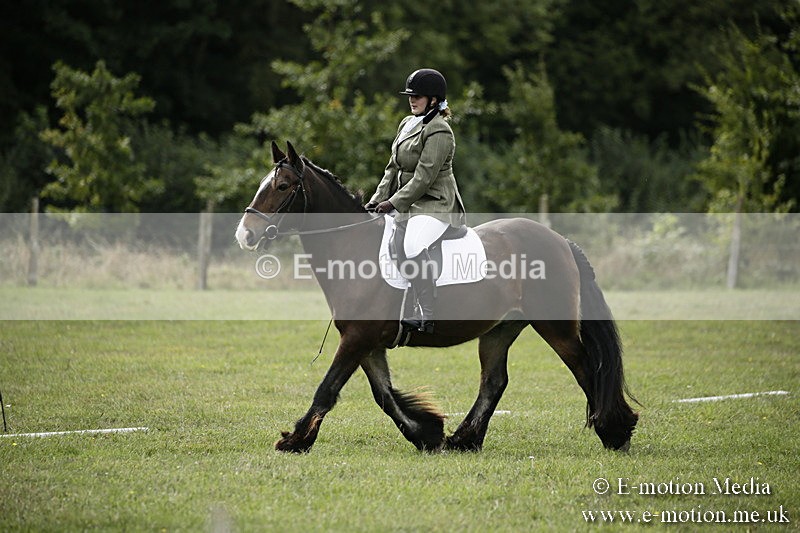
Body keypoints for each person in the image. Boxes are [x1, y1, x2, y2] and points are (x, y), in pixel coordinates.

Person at [365, 68, 466, 334]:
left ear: (434, 100)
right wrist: (376, 201)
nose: (412, 100)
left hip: (436, 203)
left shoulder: (440, 131)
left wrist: (393, 203)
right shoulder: (407, 124)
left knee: (411, 244)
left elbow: (423, 178)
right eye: (410, 95)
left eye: (418, 96)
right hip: (409, 203)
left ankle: (427, 314)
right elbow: (392, 169)